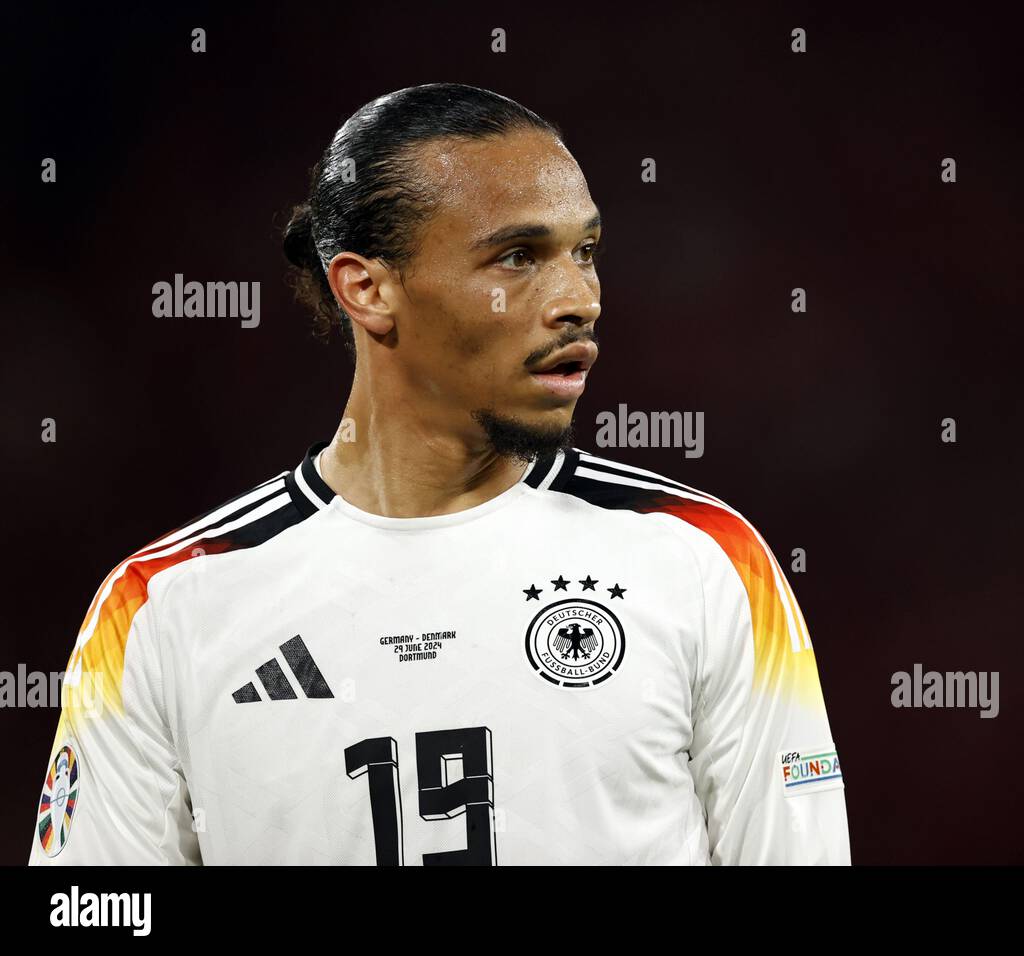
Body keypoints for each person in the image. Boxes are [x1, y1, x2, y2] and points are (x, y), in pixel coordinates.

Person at [29, 83, 849, 865]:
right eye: (519, 256)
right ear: (368, 288)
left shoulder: (704, 561)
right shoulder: (164, 607)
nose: (580, 298)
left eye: (586, 251)